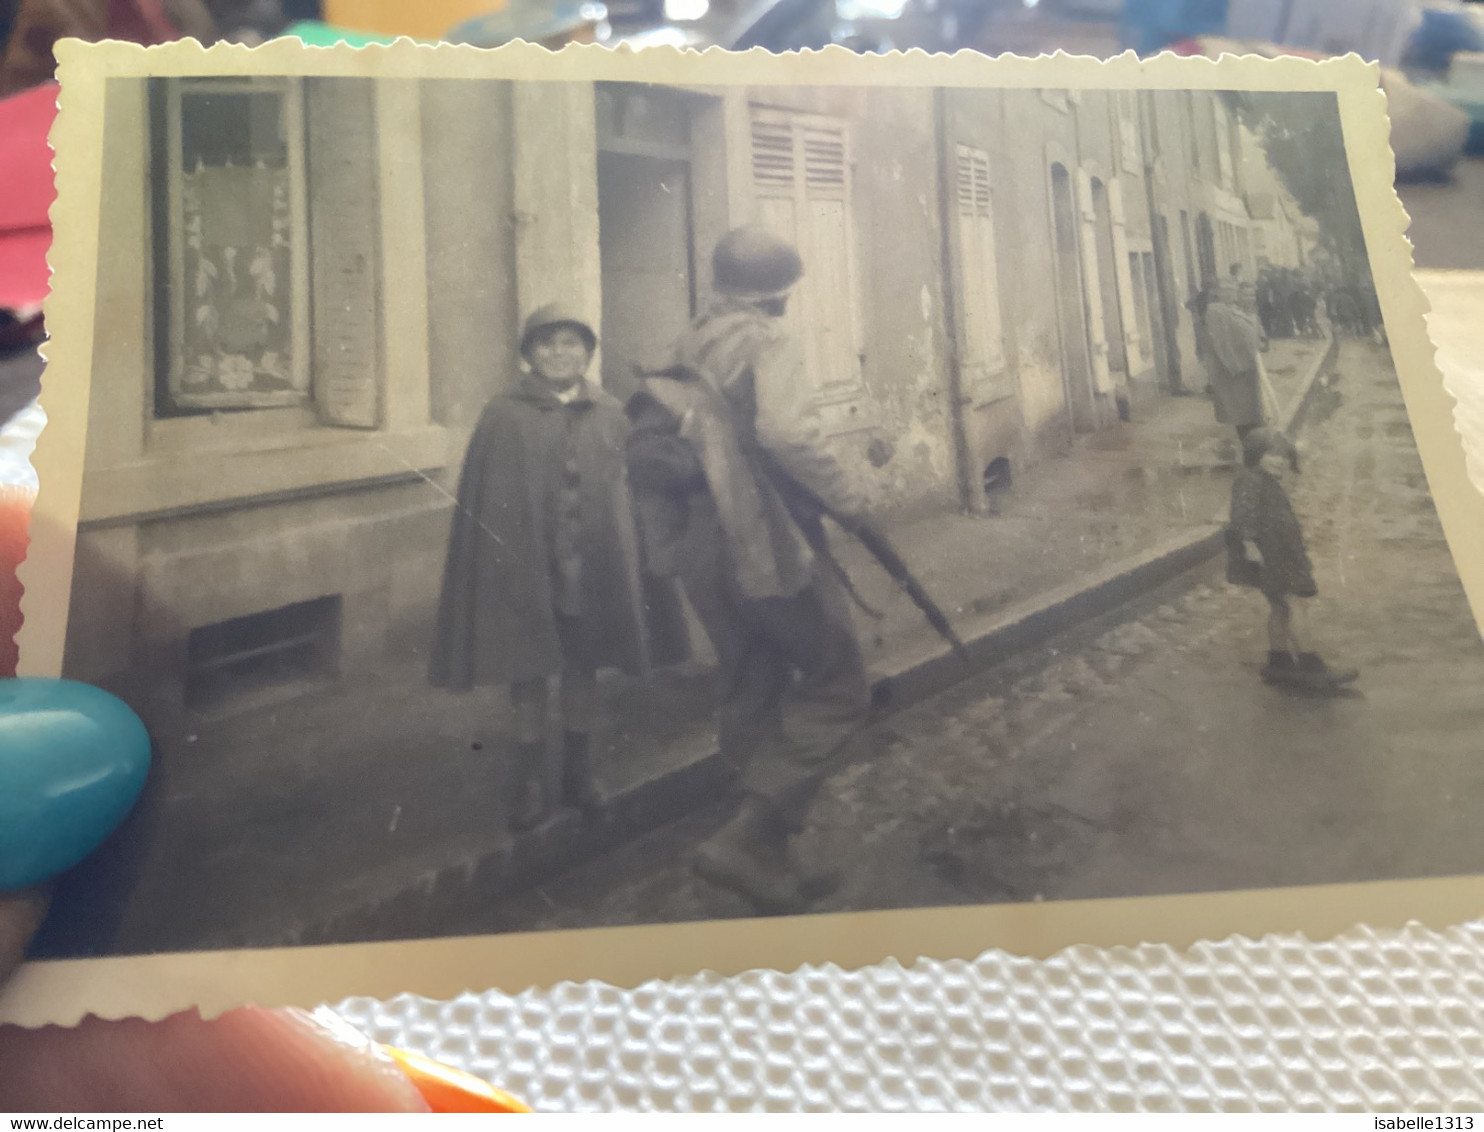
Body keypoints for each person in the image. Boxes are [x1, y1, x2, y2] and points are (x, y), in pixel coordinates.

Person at [626, 225, 872, 915]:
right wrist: (851, 502)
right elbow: (788, 434)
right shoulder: (769, 343)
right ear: (776, 295)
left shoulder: (680, 346)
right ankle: (748, 837)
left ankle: (767, 865)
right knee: (838, 683)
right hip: (765, 537)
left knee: (750, 684)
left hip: (703, 545)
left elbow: (645, 455)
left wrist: (668, 549)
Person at [429, 304, 682, 832]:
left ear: (588, 353)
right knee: (528, 670)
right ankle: (528, 780)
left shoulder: (612, 412)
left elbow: (626, 495)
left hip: (592, 568)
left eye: (572, 343)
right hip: (530, 566)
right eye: (547, 344)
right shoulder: (504, 415)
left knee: (582, 667)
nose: (560, 353)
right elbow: (491, 500)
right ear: (529, 354)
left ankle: (577, 773)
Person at [1225, 428, 1358, 691]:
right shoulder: (1251, 480)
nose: (1280, 462)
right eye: (1272, 456)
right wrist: (1251, 546)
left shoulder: (1265, 481)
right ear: (1256, 456)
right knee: (1295, 604)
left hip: (1279, 554)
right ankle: (1310, 665)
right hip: (1270, 555)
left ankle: (1279, 660)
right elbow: (1243, 515)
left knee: (1280, 607)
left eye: (1284, 457)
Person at [1202, 275, 1267, 442]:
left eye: (1232, 290)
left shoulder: (1237, 309)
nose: (1230, 294)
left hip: (1249, 365)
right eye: (1225, 290)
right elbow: (1220, 342)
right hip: (1234, 370)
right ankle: (1248, 447)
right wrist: (1234, 366)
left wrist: (1259, 342)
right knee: (1240, 411)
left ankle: (1253, 445)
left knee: (1251, 409)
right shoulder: (1216, 311)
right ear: (1218, 292)